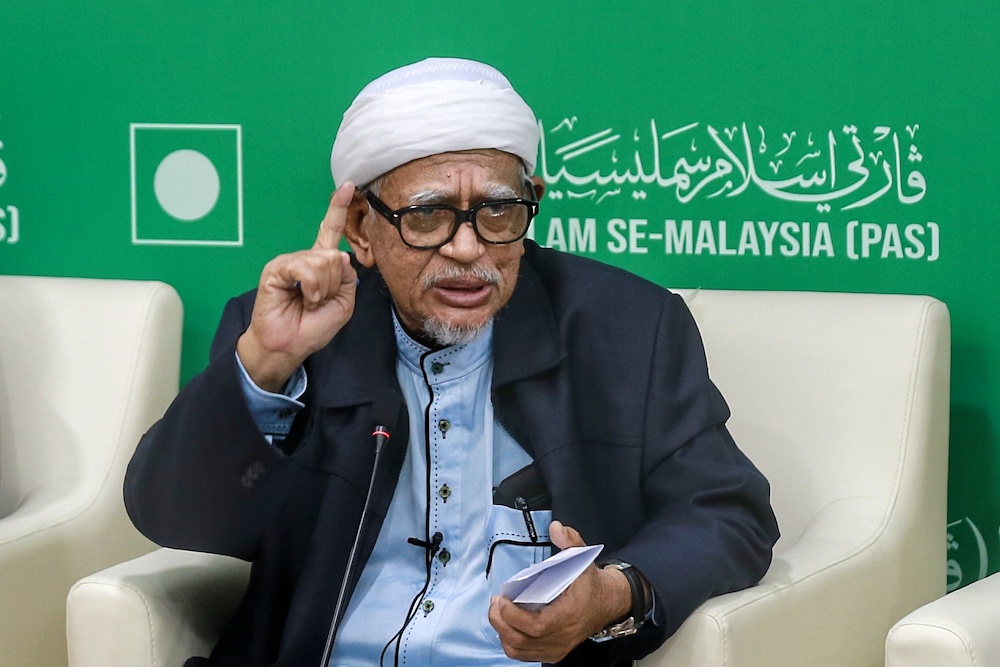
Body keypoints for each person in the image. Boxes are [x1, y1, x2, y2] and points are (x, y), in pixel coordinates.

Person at [125, 57, 779, 667]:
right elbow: (175, 517)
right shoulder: (291, 328)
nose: (468, 248)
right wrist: (266, 361)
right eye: (429, 214)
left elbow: (726, 512)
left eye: (497, 210)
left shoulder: (628, 329)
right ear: (361, 227)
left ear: (531, 203)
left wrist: (612, 593)